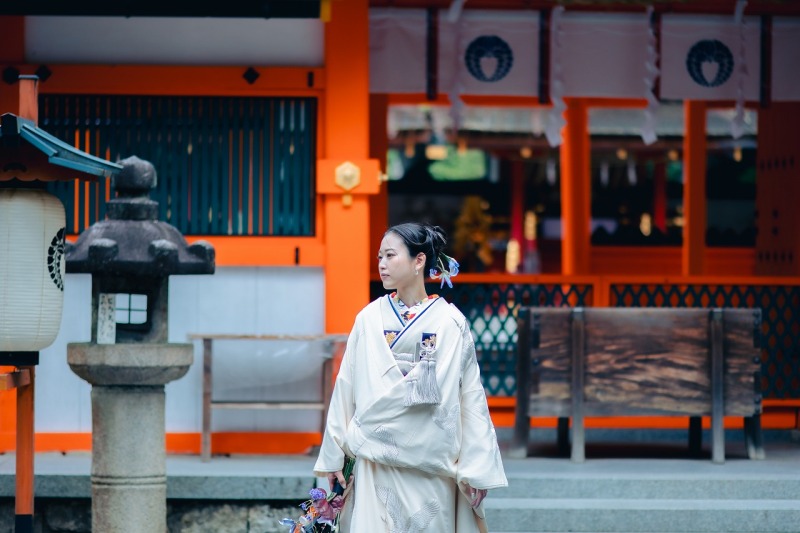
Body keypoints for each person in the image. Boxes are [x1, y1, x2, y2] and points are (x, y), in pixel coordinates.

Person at [313, 222, 508, 532]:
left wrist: (476, 467)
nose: (382, 264)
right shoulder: (368, 319)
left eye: (390, 255)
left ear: (419, 261)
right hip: (375, 463)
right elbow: (346, 387)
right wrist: (333, 454)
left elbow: (470, 397)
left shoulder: (450, 322)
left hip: (430, 466)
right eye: (379, 257)